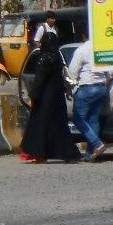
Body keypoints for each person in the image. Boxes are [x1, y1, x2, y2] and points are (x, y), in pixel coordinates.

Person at [19, 32, 81, 164]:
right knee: (58, 128)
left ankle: (40, 153)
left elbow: (40, 80)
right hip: (57, 99)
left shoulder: (44, 58)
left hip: (44, 100)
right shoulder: (58, 57)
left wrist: (33, 96)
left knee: (40, 127)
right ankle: (67, 153)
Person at [66, 31, 109, 161]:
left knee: (78, 119)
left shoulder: (81, 50)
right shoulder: (102, 49)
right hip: (102, 87)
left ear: (84, 36)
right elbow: (111, 69)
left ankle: (97, 144)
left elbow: (72, 72)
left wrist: (70, 87)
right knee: (93, 119)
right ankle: (91, 154)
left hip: (87, 87)